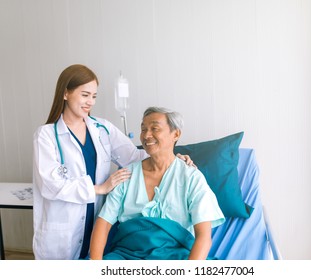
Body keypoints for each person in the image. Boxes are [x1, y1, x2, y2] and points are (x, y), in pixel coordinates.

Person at [32, 64, 192, 260]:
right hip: (62, 230)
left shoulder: (102, 129)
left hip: (94, 222)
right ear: (65, 93)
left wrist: (173, 158)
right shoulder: (46, 135)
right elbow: (50, 185)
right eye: (85, 95)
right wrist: (100, 188)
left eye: (94, 96)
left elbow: (133, 157)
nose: (90, 101)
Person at [89, 107, 225, 260]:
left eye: (155, 128)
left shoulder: (191, 178)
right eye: (143, 129)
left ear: (176, 134)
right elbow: (104, 223)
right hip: (127, 255)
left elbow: (203, 237)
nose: (147, 135)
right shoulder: (126, 175)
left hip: (176, 256)